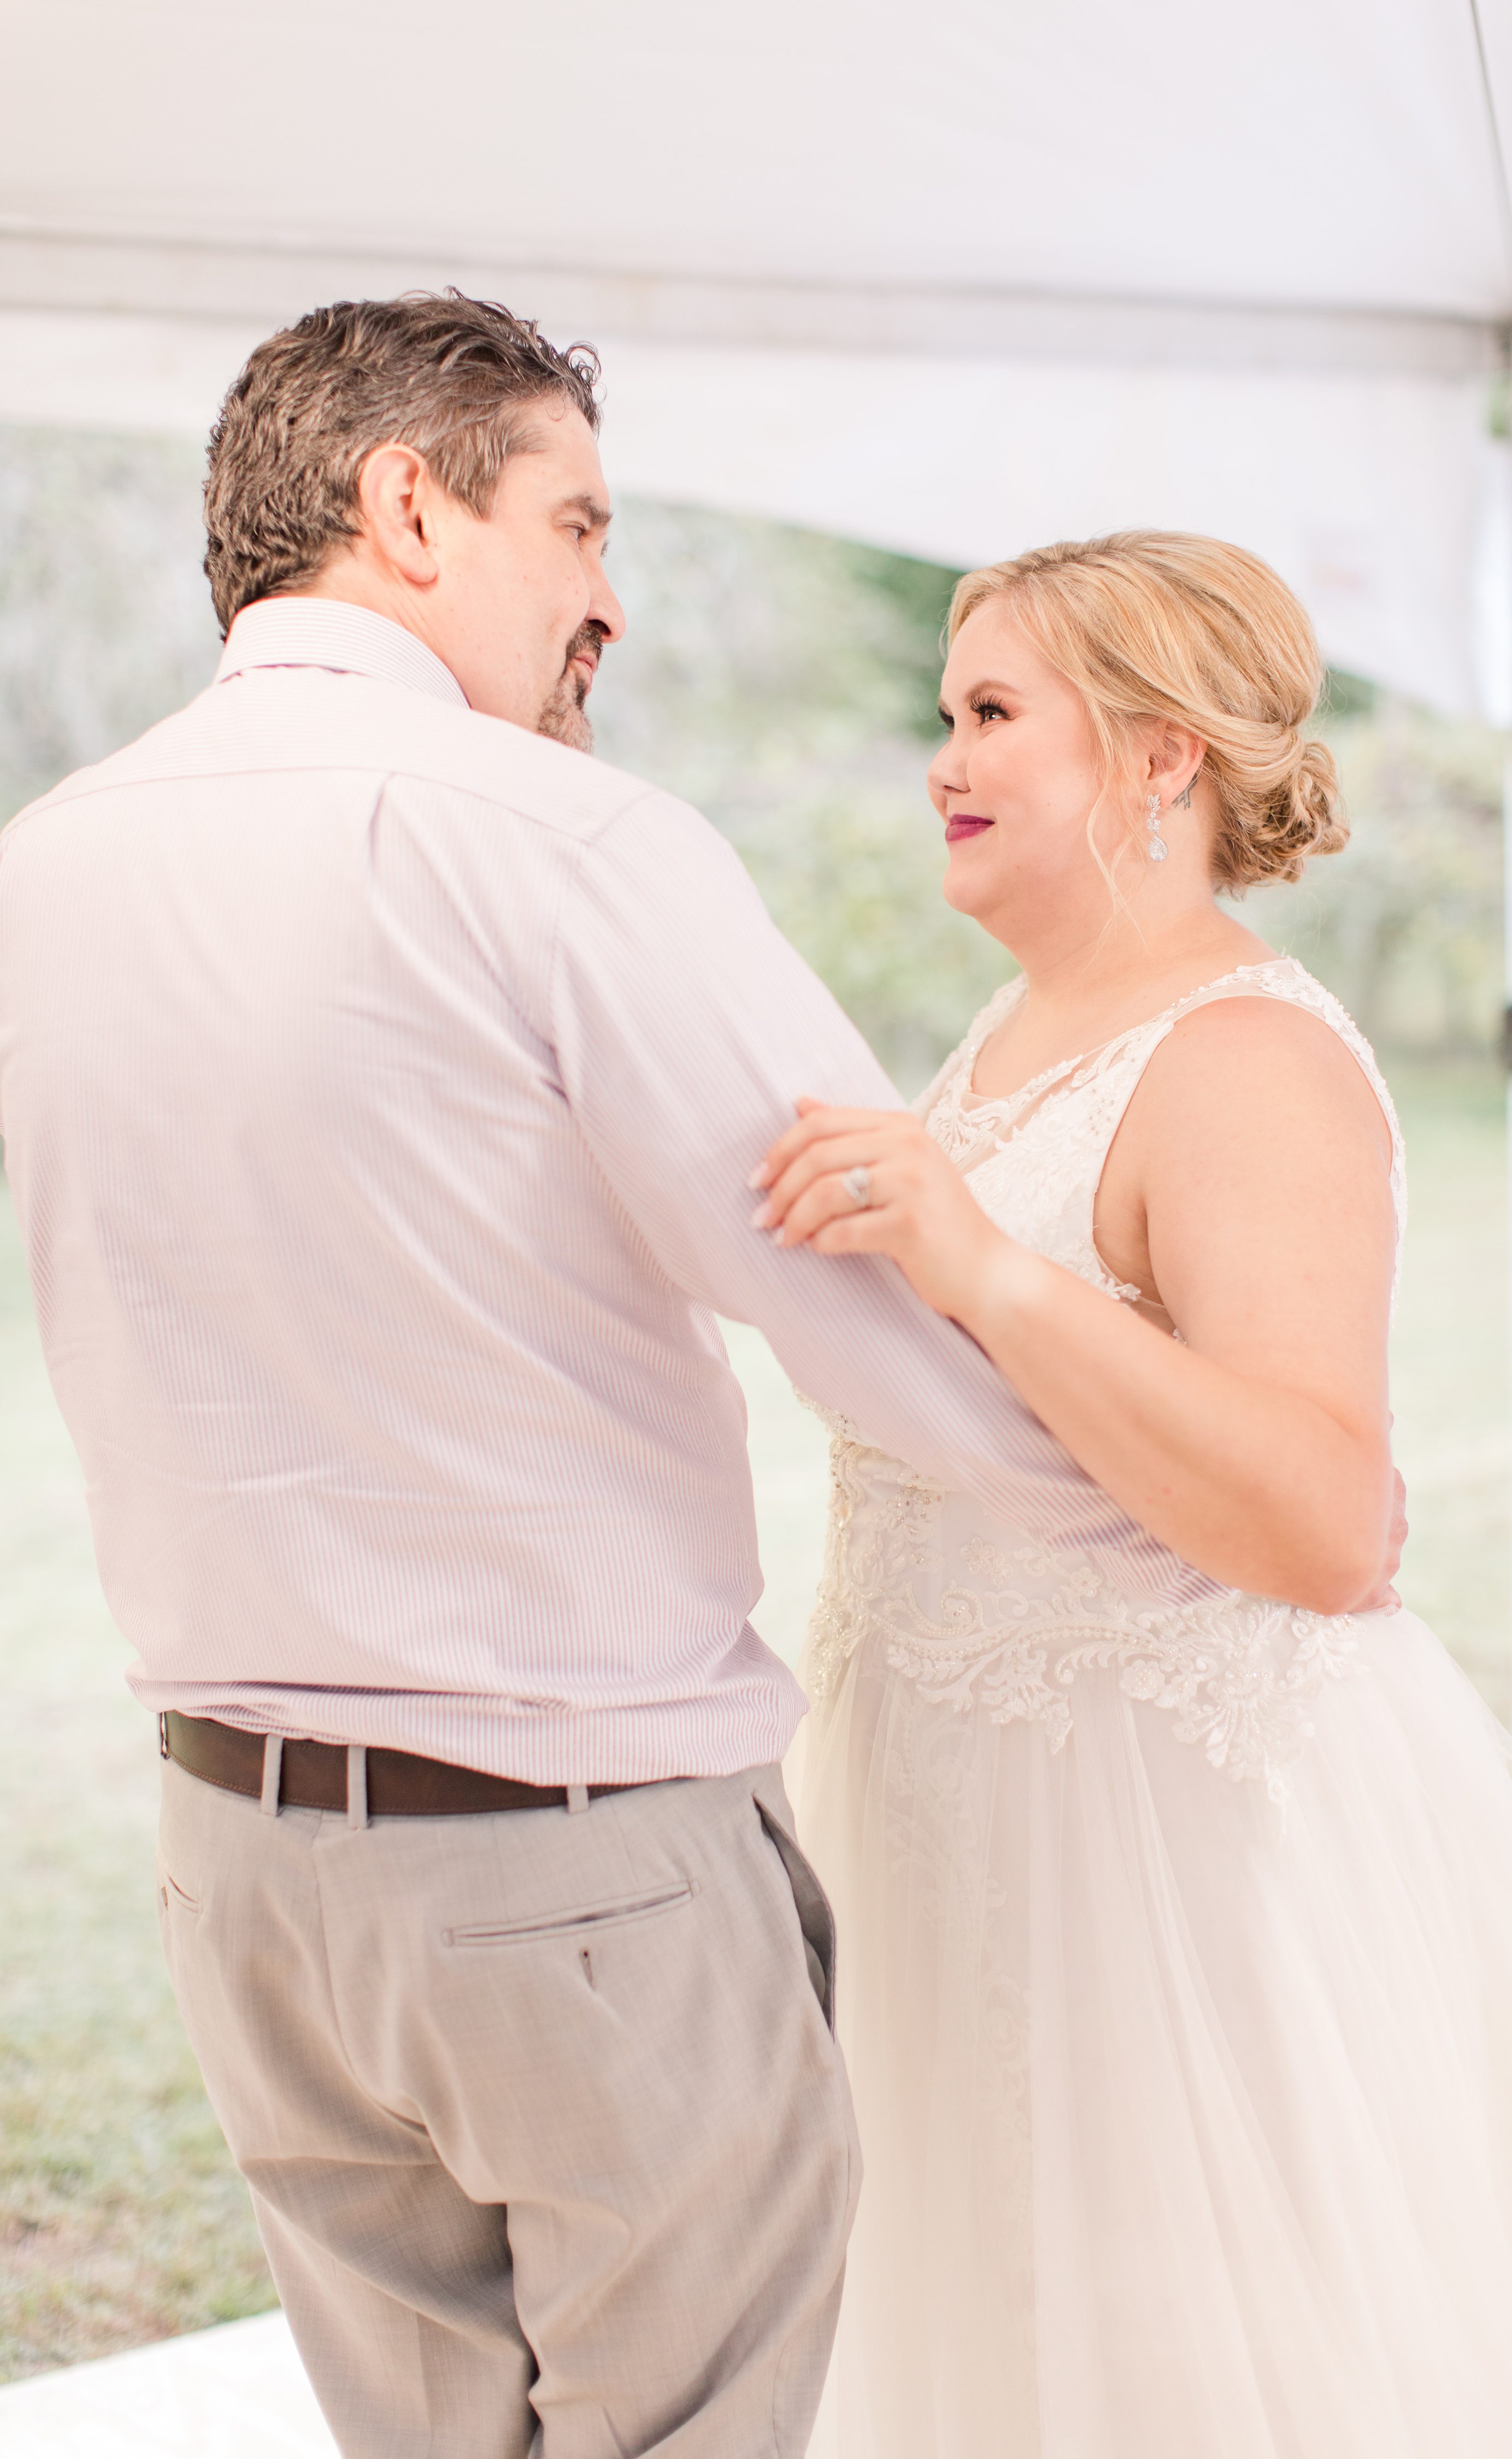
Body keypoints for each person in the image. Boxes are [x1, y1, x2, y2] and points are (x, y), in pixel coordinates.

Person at [0, 298, 1246, 2459]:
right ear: (408, 507)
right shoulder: (564, 841)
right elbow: (879, 1314)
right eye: (575, 521)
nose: (611, 595)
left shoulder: (47, 866)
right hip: (568, 1871)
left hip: (241, 1874)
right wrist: (1195, 1518)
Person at [755, 532, 1512, 2459]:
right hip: (948, 1831)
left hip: (1161, 1871)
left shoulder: (1244, 1057)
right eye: (944, 714)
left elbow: (1329, 1520)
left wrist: (984, 1268)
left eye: (992, 713)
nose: (942, 760)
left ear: (1161, 760)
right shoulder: (1007, 1036)